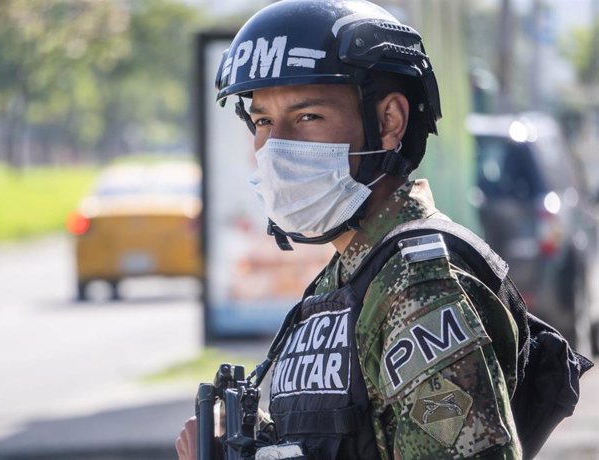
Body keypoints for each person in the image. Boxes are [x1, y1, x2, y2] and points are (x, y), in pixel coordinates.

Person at [178, 0, 524, 458]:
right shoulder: (349, 277)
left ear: (388, 122)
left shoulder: (418, 287)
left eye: (307, 117)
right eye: (262, 121)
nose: (276, 146)